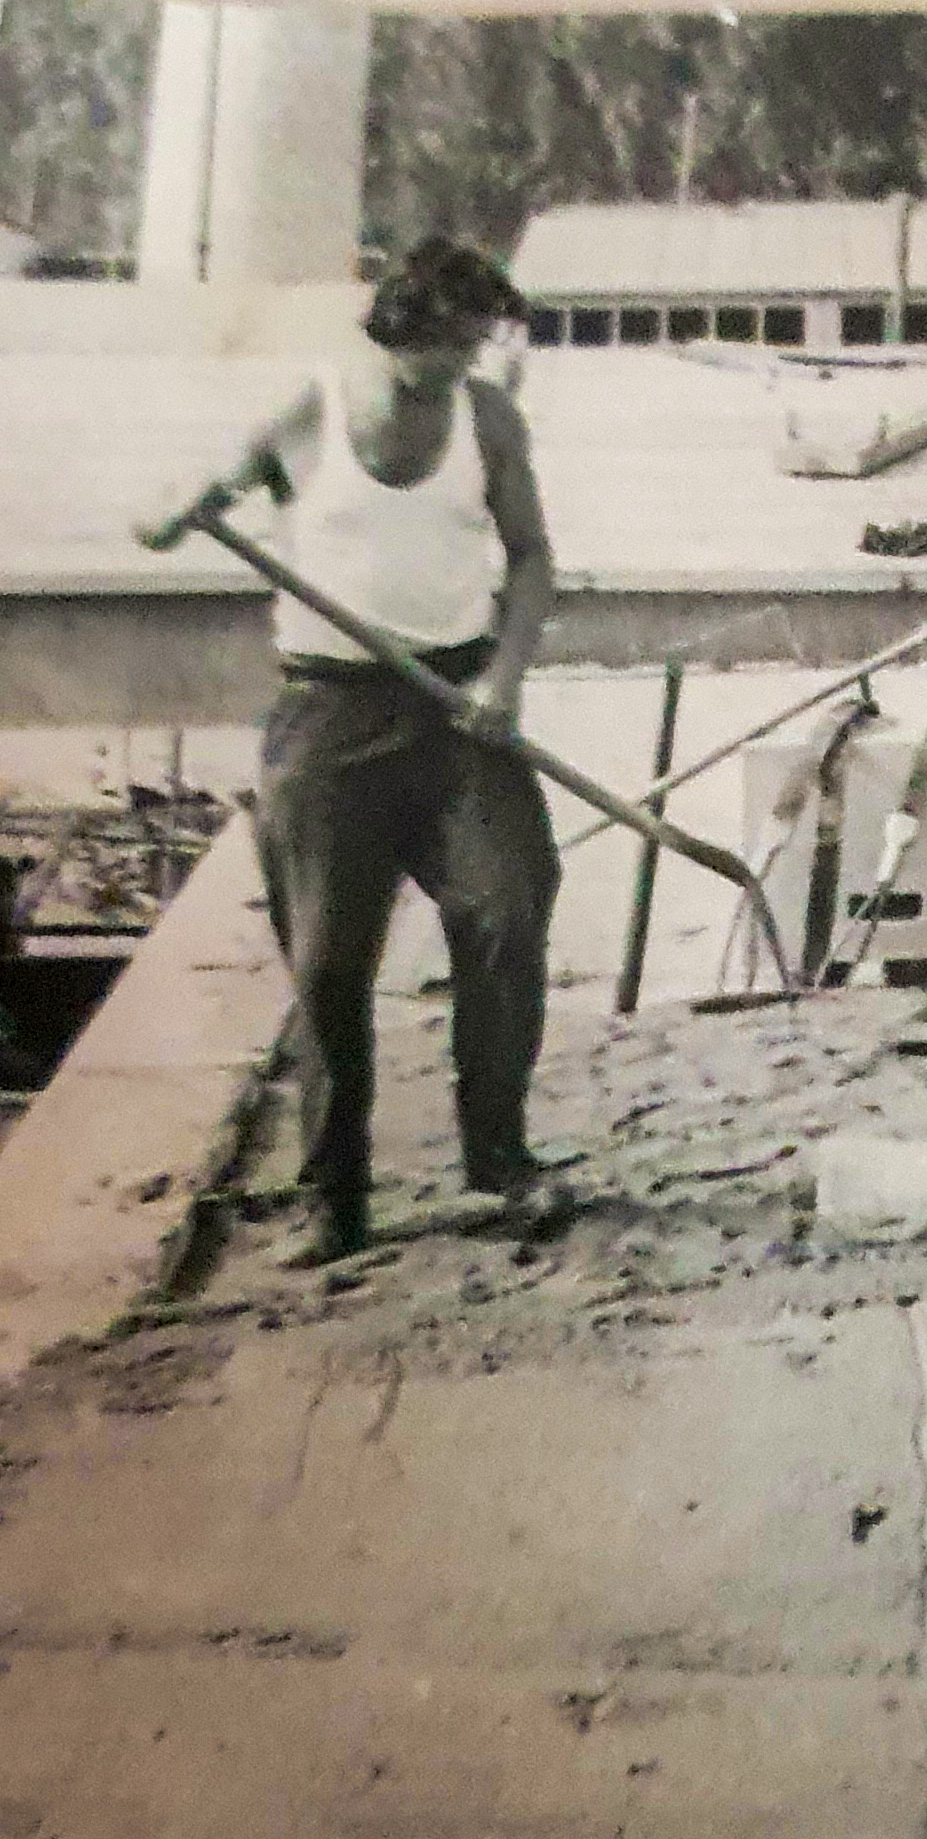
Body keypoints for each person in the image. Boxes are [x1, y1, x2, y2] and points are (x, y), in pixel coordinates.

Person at [135, 237, 558, 1264]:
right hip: (327, 716)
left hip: (456, 708)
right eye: (450, 343)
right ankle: (335, 1196)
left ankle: (499, 1158)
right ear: (399, 326)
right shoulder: (307, 407)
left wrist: (502, 682)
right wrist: (177, 512)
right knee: (328, 966)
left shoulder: (487, 419)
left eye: (477, 343)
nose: (464, 363)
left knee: (508, 904)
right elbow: (172, 515)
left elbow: (534, 557)